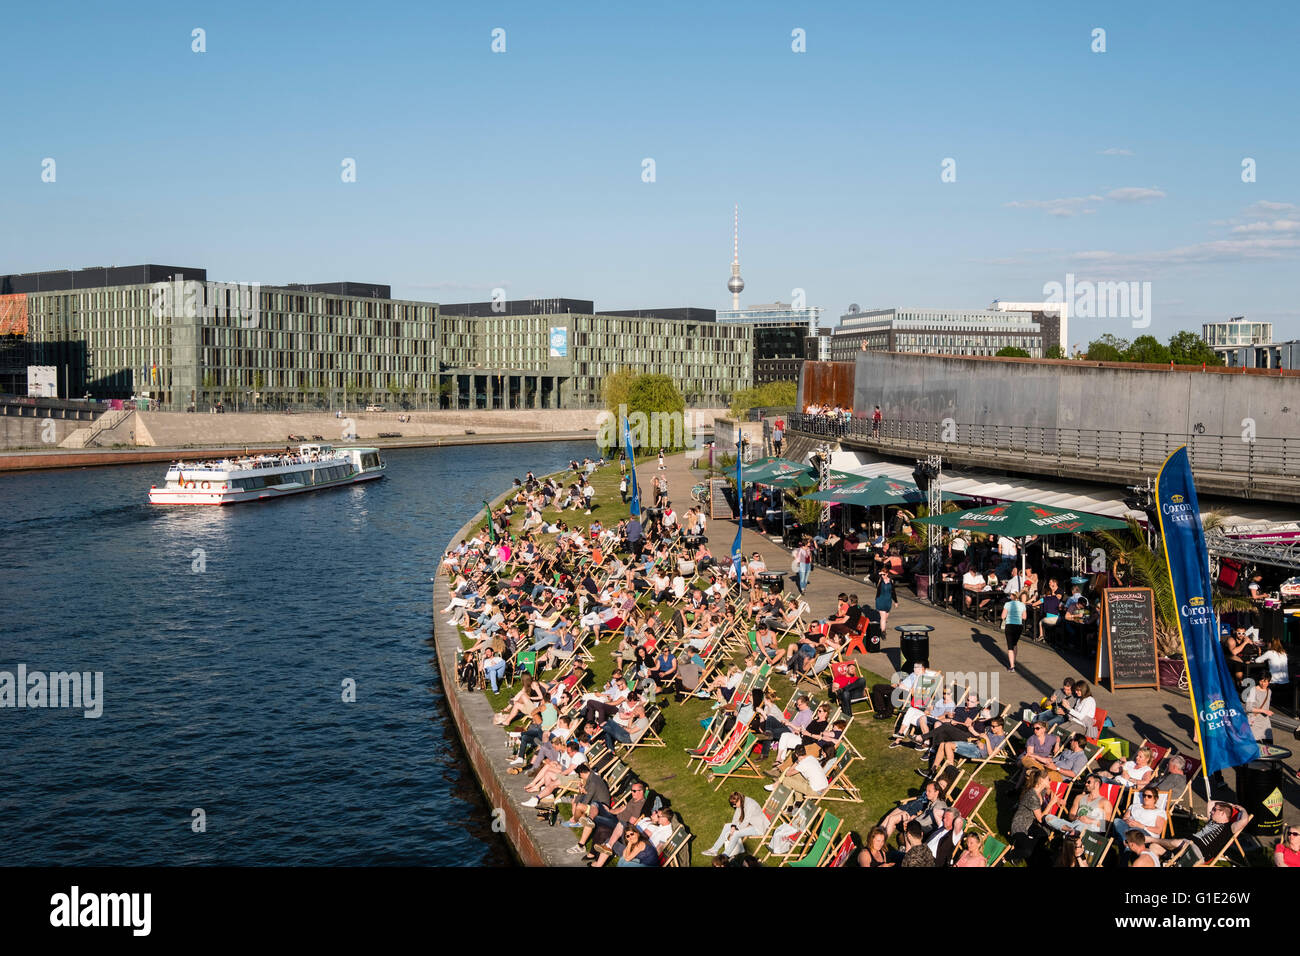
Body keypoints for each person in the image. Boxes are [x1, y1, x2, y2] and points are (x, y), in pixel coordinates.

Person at [1151, 801, 1250, 864]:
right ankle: (1166, 857)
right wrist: (1230, 805)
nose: (1211, 811)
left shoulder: (1229, 828)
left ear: (1222, 813)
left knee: (1178, 842)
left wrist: (1242, 809)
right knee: (1153, 847)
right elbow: (1211, 803)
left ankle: (1151, 838)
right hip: (1184, 847)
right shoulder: (1212, 820)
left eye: (1214, 810)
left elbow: (1244, 821)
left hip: (1199, 852)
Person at [702, 791, 767, 858]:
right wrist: (733, 826)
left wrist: (734, 830)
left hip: (758, 827)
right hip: (751, 823)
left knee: (736, 833)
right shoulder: (742, 801)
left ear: (738, 800)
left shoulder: (750, 805)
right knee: (727, 826)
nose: (734, 806)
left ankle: (725, 855)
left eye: (734, 804)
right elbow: (736, 816)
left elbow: (746, 821)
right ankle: (714, 850)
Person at [1044, 774, 1112, 834]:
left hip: (1090, 831)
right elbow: (1071, 816)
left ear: (1097, 784)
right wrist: (1078, 818)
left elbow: (1106, 825)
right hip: (1074, 825)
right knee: (1048, 817)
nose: (1086, 784)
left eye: (1089, 782)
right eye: (1086, 782)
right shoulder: (1079, 797)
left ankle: (1072, 832)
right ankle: (1072, 831)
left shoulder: (1105, 802)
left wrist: (1090, 821)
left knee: (1080, 827)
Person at [1243, 674, 1274, 742]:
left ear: (1269, 682)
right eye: (1261, 681)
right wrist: (1264, 711)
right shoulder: (1253, 691)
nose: (1263, 684)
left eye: (1265, 682)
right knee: (1256, 745)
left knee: (1269, 745)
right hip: (1254, 721)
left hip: (1265, 722)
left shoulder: (1269, 691)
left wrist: (1266, 711)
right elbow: (1248, 708)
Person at [1001, 589, 1027, 673]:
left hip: (1009, 626)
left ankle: (1012, 666)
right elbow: (1024, 617)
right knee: (1015, 643)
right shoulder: (1022, 605)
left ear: (1012, 595)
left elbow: (1003, 616)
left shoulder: (1007, 604)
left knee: (1010, 646)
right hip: (1019, 626)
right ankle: (1014, 661)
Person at [875, 569, 897, 633]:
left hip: (888, 601)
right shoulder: (879, 580)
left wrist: (895, 601)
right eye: (881, 574)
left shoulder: (891, 581)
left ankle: (881, 627)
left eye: (884, 574)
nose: (882, 576)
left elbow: (893, 592)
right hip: (880, 600)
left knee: (885, 618)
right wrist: (879, 573)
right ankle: (883, 632)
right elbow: (872, 576)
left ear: (887, 574)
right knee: (883, 617)